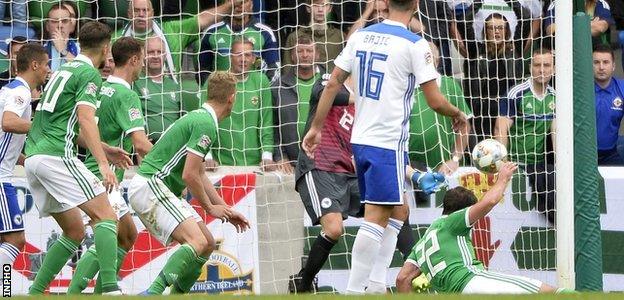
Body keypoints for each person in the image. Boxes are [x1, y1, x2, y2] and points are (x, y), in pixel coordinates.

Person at [302, 0, 468, 294]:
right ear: (416, 5)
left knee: (400, 211)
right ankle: (357, 290)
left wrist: (315, 128)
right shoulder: (416, 45)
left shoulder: (361, 36)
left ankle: (377, 284)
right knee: (376, 218)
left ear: (386, 3)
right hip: (386, 142)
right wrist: (457, 114)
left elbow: (331, 84)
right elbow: (434, 101)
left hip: (362, 141)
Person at [290, 74, 448, 293]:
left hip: (352, 172)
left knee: (399, 206)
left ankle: (379, 282)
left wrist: (415, 176)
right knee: (334, 229)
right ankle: (303, 285)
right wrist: (371, 100)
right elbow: (329, 93)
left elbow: (386, 152)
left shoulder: (375, 109)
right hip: (320, 166)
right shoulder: (329, 79)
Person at [24, 21, 131, 295]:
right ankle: (109, 288)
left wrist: (105, 149)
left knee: (74, 230)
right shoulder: (89, 75)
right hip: (58, 156)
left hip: (35, 159)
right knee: (106, 215)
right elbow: (85, 119)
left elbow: (66, 122)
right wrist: (104, 166)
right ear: (107, 48)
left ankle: (35, 292)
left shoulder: (64, 70)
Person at [128, 71, 249, 295]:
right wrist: (210, 208)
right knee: (196, 240)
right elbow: (189, 175)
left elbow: (200, 173)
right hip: (150, 185)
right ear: (232, 97)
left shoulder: (200, 117)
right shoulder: (206, 124)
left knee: (207, 243)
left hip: (157, 188)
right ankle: (152, 293)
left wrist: (226, 209)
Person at [395, 162, 572, 294]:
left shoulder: (422, 243)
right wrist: (503, 178)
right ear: (465, 211)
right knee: (553, 293)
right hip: (471, 281)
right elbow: (489, 201)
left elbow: (402, 279)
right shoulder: (452, 222)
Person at [67, 37, 153, 294]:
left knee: (126, 235)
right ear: (135, 60)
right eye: (143, 59)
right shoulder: (127, 95)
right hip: (100, 176)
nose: (144, 65)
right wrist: (173, 158)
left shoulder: (102, 88)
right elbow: (139, 143)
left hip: (95, 171)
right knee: (112, 233)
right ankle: (76, 293)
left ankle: (101, 293)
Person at [0, 43, 49, 268]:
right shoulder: (20, 91)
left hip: (4, 171)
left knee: (7, 240)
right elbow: (8, 122)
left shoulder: (9, 90)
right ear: (34, 65)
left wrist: (26, 159)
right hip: (1, 178)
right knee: (15, 240)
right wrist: (42, 127)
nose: (48, 70)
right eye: (46, 64)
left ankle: (5, 291)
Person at [494, 47, 556, 223]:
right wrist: (503, 163)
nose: (542, 70)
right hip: (516, 166)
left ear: (554, 69)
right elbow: (500, 128)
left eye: (546, 65)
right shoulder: (517, 93)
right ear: (530, 68)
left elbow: (556, 132)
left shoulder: (556, 97)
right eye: (537, 65)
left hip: (541, 167)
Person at [204, 38, 276, 171]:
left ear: (254, 58)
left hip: (254, 164)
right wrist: (207, 156)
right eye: (238, 54)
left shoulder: (261, 81)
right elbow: (203, 122)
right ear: (230, 57)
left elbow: (266, 121)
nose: (243, 59)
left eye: (247, 55)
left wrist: (267, 154)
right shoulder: (216, 80)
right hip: (221, 163)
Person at [117, 0, 235, 77]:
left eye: (145, 10)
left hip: (168, 97)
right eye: (136, 10)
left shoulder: (172, 30)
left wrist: (231, 5)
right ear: (129, 14)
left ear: (152, 13)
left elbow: (203, 19)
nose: (141, 14)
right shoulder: (116, 39)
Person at [409, 42, 471, 176]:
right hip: (408, 166)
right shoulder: (405, 87)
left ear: (436, 62)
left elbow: (464, 127)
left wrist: (454, 159)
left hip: (442, 167)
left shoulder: (450, 85)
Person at [463, 12, 523, 149]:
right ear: (485, 32)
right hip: (483, 111)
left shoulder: (514, 52)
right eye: (491, 28)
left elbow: (524, 18)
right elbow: (464, 22)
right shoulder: (476, 52)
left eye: (500, 28)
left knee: (502, 154)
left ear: (506, 32)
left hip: (507, 111)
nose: (496, 31)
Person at [272, 34, 324, 173]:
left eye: (309, 51)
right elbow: (273, 126)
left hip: (324, 163)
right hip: (290, 164)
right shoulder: (279, 87)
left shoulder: (329, 85)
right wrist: (280, 156)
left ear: (317, 54)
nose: (305, 55)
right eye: (300, 51)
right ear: (293, 56)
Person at [199, 0, 280, 85]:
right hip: (221, 95)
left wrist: (260, 91)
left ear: (251, 5)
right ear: (225, 4)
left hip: (253, 95)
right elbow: (202, 71)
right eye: (234, 1)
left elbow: (274, 69)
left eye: (244, 1)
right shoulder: (211, 32)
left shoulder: (265, 33)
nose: (239, 5)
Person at [133, 36, 184, 143]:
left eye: (159, 52)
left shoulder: (174, 86)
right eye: (151, 52)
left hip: (174, 145)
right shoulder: (135, 82)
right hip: (146, 146)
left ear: (165, 55)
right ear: (143, 55)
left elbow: (183, 119)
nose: (156, 56)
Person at [281, 0, 344, 74]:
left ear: (330, 8)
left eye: (324, 5)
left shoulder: (340, 36)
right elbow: (287, 71)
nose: (320, 9)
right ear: (308, 8)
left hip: (333, 84)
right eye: (316, 5)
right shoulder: (294, 37)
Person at [592, 44, 624, 166]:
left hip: (611, 154)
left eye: (605, 62)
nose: (601, 67)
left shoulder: (621, 89)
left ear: (613, 66)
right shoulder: (581, 90)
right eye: (596, 62)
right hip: (583, 155)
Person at [544, 0, 613, 45]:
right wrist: (588, 24)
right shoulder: (558, 3)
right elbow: (551, 30)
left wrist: (564, 25)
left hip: (593, 47)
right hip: (564, 46)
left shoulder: (600, 3)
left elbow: (600, 28)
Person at [43, 3, 79, 71]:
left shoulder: (81, 48)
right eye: (54, 21)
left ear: (71, 26)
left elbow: (84, 73)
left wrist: (63, 51)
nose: (60, 25)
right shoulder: (39, 51)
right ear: (47, 26)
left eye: (64, 21)